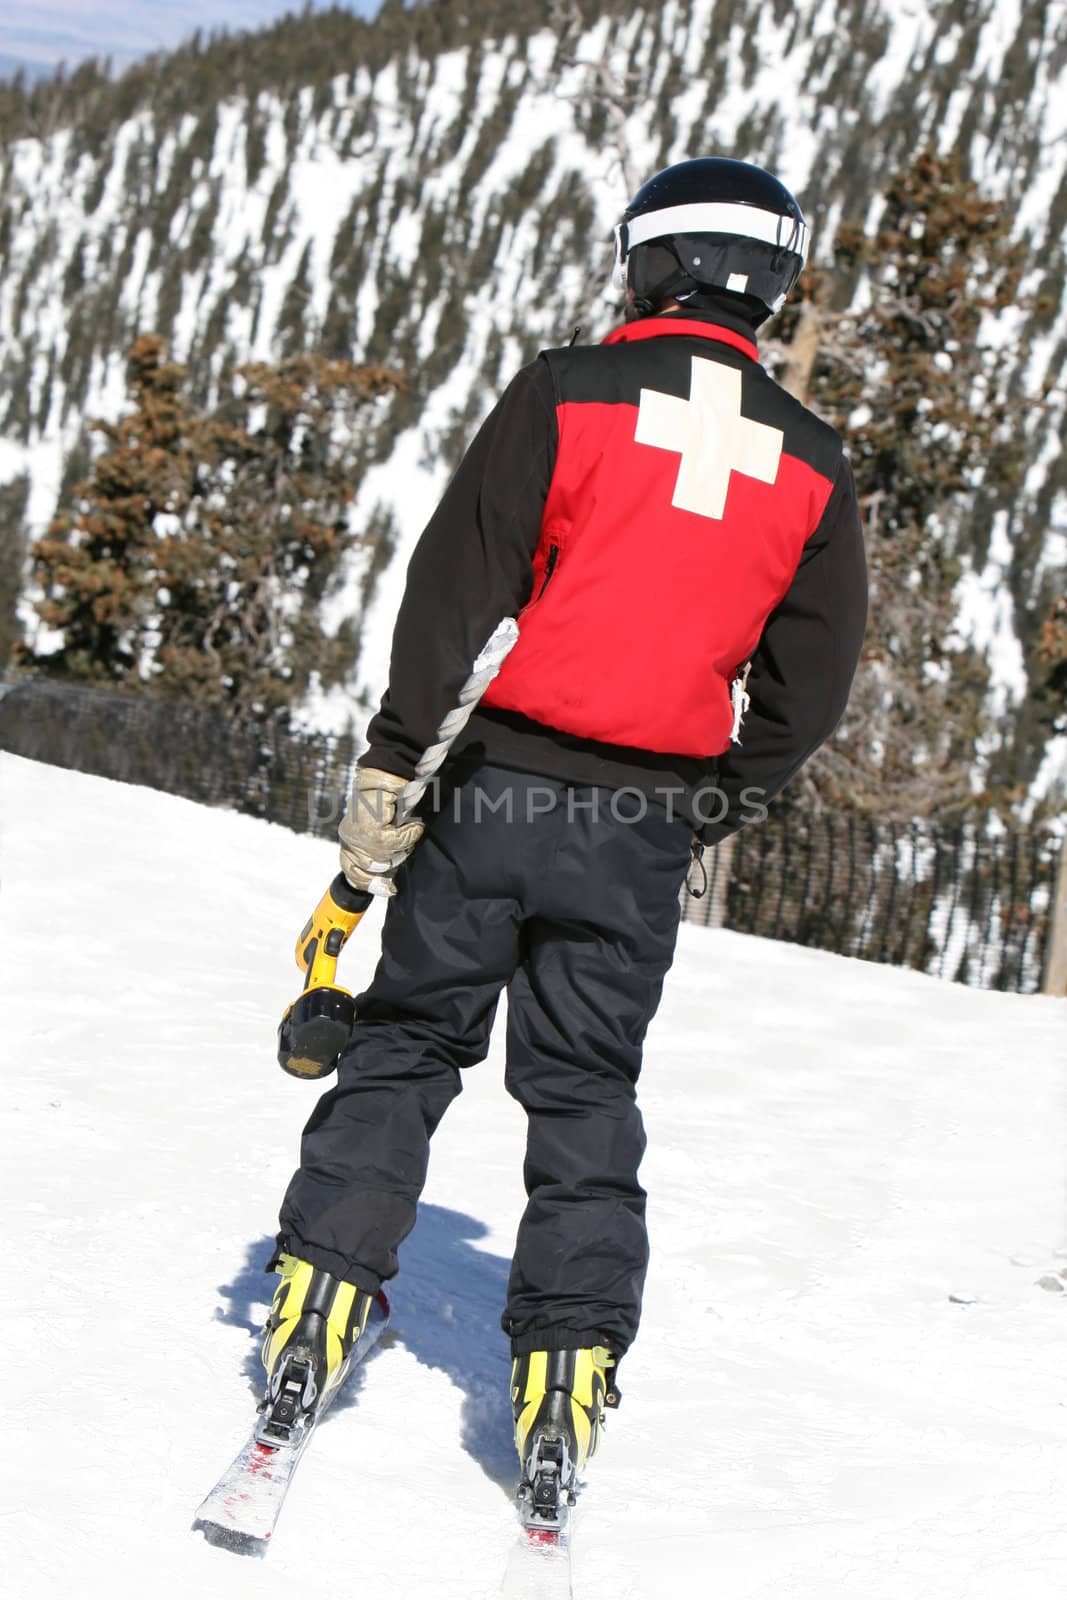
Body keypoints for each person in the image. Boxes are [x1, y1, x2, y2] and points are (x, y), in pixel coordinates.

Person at [258, 157, 868, 1513]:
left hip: (498, 792)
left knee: (411, 1039)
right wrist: (709, 797)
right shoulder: (813, 464)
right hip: (645, 824)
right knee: (585, 1091)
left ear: (651, 264)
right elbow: (812, 685)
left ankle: (319, 1292)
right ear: (772, 285)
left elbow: (455, 585)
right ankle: (569, 1361)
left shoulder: (569, 390)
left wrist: (396, 756)